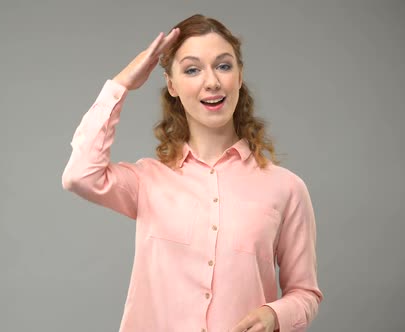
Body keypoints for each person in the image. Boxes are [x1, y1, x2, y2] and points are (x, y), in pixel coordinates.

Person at [62, 14, 323, 332]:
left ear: (239, 76)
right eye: (192, 69)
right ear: (172, 85)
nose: (211, 81)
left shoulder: (286, 188)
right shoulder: (148, 181)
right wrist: (121, 85)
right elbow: (80, 176)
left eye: (224, 66)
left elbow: (305, 293)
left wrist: (274, 314)